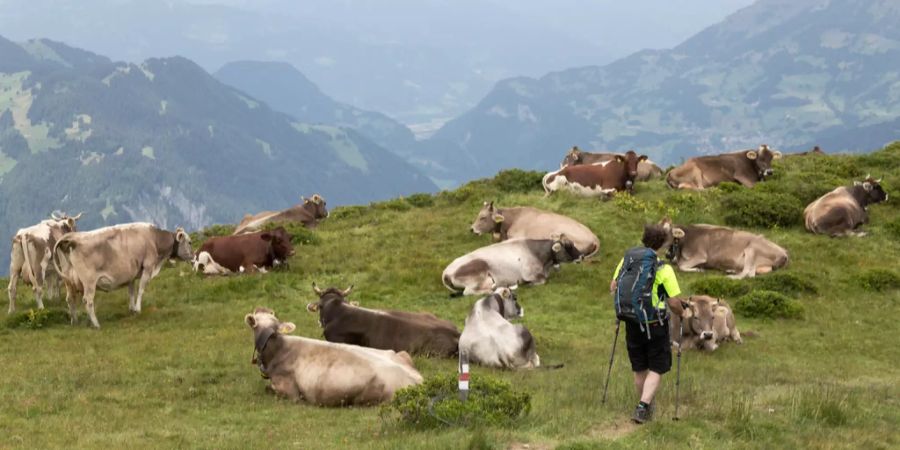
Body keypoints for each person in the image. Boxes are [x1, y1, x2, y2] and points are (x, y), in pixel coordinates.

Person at [609, 223, 682, 424]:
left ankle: (644, 405)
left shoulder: (627, 260)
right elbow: (674, 301)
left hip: (632, 321)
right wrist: (682, 313)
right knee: (658, 366)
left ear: (644, 238)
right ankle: (643, 407)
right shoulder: (663, 268)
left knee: (639, 365)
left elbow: (613, 285)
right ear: (661, 244)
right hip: (654, 323)